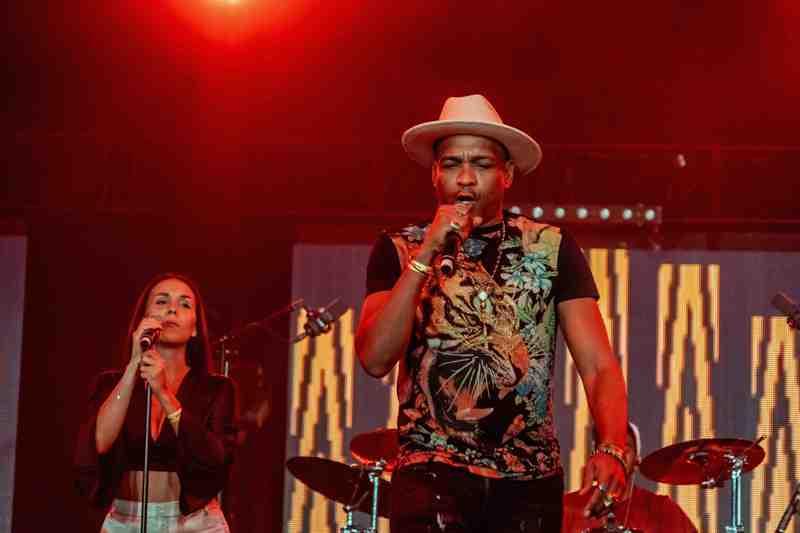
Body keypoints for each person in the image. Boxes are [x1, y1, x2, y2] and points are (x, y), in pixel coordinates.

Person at [355, 94, 629, 532]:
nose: (465, 178)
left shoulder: (550, 247)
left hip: (528, 485)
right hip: (431, 475)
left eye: (481, 164)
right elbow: (374, 358)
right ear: (434, 173)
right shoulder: (400, 249)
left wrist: (612, 446)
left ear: (507, 174)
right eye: (452, 164)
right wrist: (425, 255)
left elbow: (598, 365)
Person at [74, 273, 237, 532]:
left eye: (184, 304)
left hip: (195, 522)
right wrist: (133, 367)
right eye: (162, 302)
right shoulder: (111, 383)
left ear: (195, 328)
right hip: (125, 521)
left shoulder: (216, 389)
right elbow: (100, 443)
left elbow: (214, 458)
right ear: (143, 319)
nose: (172, 309)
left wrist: (163, 392)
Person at [562, 423, 698, 533]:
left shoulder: (662, 510)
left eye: (625, 448)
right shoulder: (567, 507)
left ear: (637, 461)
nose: (618, 455)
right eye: (609, 448)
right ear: (597, 457)